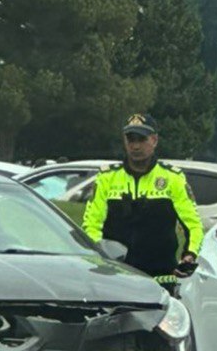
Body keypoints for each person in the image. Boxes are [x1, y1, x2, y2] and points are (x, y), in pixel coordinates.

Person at [82, 112, 204, 281]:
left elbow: (194, 226)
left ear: (154, 140)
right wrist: (101, 257)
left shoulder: (173, 178)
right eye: (131, 139)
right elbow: (91, 225)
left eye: (141, 139)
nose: (136, 146)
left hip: (160, 277)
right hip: (115, 275)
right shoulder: (106, 178)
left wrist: (189, 255)